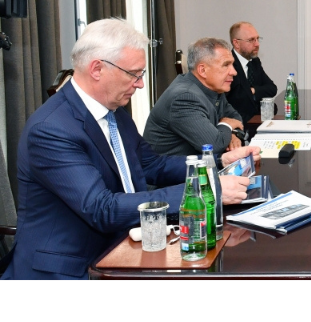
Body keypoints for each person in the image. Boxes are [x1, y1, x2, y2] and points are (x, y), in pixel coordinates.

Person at [0, 19, 257, 280]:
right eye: (134, 74)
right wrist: (204, 189)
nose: (140, 84)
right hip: (68, 270)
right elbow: (101, 208)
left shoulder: (114, 112)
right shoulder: (51, 129)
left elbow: (152, 165)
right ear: (97, 69)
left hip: (123, 249)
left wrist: (218, 161)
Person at [144, 37, 245, 157]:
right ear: (202, 70)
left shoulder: (214, 88)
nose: (234, 72)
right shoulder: (184, 98)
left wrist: (233, 134)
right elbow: (213, 146)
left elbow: (235, 117)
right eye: (226, 65)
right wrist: (226, 125)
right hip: (173, 168)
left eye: (232, 64)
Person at [226, 21, 277, 123]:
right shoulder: (228, 64)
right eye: (251, 40)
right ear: (236, 43)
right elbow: (233, 101)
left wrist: (253, 90)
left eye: (257, 39)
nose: (257, 44)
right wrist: (253, 94)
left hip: (255, 119)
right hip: (238, 121)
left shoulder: (254, 61)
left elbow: (272, 88)